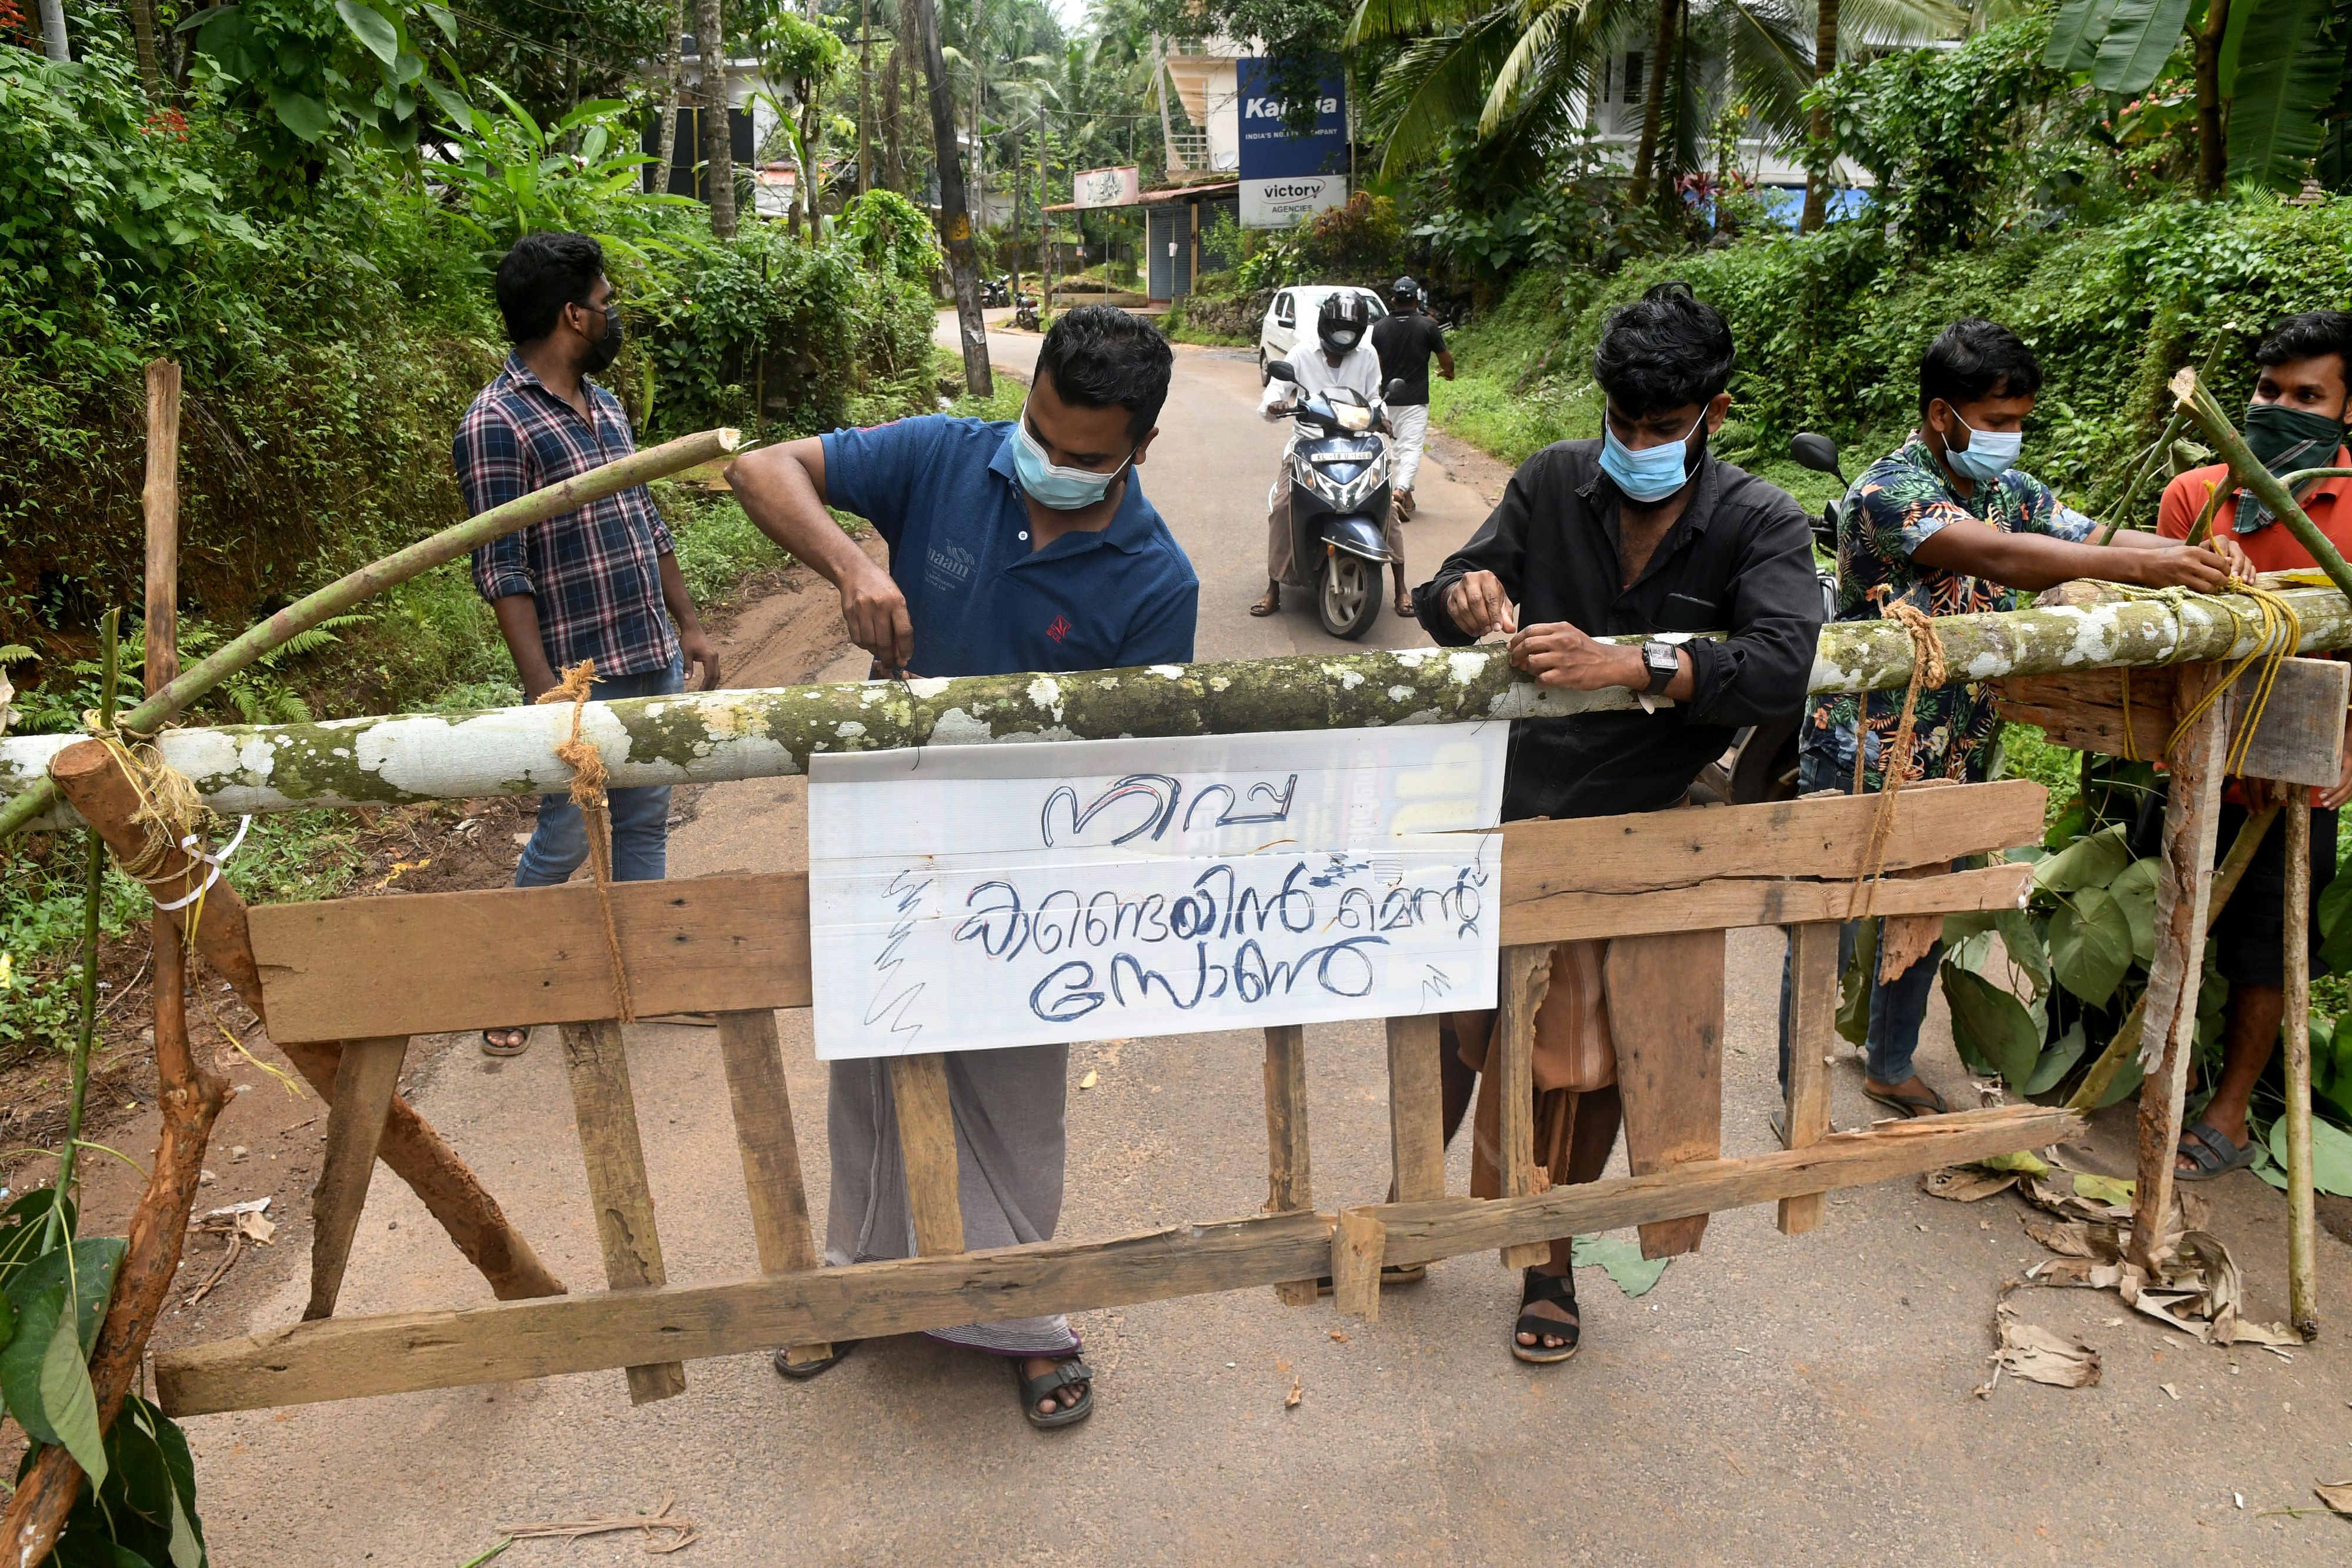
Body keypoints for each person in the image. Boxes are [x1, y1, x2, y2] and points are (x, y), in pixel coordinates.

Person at [724, 305, 1196, 1427]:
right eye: (1041, 433)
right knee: (872, 1061)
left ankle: (1023, 1313)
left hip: (1033, 869)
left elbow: (1140, 771)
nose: (1054, 465)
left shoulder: (1157, 580)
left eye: (1088, 457)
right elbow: (758, 469)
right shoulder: (943, 454)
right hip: (884, 837)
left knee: (1018, 1090)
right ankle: (861, 1282)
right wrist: (852, 564)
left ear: (1140, 448)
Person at [1411, 281, 1826, 1364]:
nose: (1637, 445)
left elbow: (1783, 663)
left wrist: (1634, 661)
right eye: (1624, 424)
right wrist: (1464, 597)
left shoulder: (1759, 520)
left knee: (1582, 1060)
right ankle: (1416, 1208)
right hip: (1501, 805)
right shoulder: (1554, 480)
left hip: (1636, 827)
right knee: (1455, 1023)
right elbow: (1455, 578)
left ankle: (1547, 1256)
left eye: (1662, 428)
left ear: (1714, 415)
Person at [1790, 317, 2247, 1122]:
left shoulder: (2016, 490)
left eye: (2019, 421)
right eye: (1997, 422)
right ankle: (1798, 1075)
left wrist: (2200, 559)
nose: (2011, 436)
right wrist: (2148, 563)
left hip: (1960, 744)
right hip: (1860, 747)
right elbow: (2001, 556)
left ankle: (1889, 1065)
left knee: (1924, 910)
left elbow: (2090, 535)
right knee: (1827, 916)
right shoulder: (1886, 490)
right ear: (1942, 415)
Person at [454, 231, 720, 1058]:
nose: (613, 318)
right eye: (606, 304)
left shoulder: (605, 406)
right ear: (573, 315)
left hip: (649, 648)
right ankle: (514, 980)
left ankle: (642, 977)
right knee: (568, 832)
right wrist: (547, 693)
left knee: (645, 820)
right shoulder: (495, 423)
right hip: (580, 672)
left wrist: (689, 623)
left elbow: (646, 517)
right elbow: (501, 567)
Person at [2153, 310, 2352, 1179]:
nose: (2281, 406)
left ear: (2348, 411)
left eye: (2309, 395)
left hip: (2298, 772)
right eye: (2269, 390)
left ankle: (2230, 1108)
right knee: (2173, 918)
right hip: (2193, 753)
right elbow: (2153, 633)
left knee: (2273, 944)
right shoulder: (2195, 496)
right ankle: (2153, 1070)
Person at [1252, 291, 1412, 620]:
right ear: (1326, 325)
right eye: (1340, 329)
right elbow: (1275, 391)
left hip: (1358, 442)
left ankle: (1401, 587)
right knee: (1284, 505)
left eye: (1351, 331)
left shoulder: (1366, 354)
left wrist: (1381, 416)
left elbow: (1374, 397)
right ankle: (1274, 587)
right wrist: (1277, 404)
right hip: (1309, 443)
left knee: (1388, 509)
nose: (1345, 337)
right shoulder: (1301, 352)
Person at [1371, 276, 1454, 519]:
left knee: (1396, 446)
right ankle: (1399, 491)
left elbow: (1377, 364)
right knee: (1412, 447)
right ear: (1417, 300)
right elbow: (1445, 358)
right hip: (1416, 398)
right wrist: (1448, 373)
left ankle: (1406, 495)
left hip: (1388, 397)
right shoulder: (1428, 326)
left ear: (1393, 300)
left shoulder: (1380, 327)